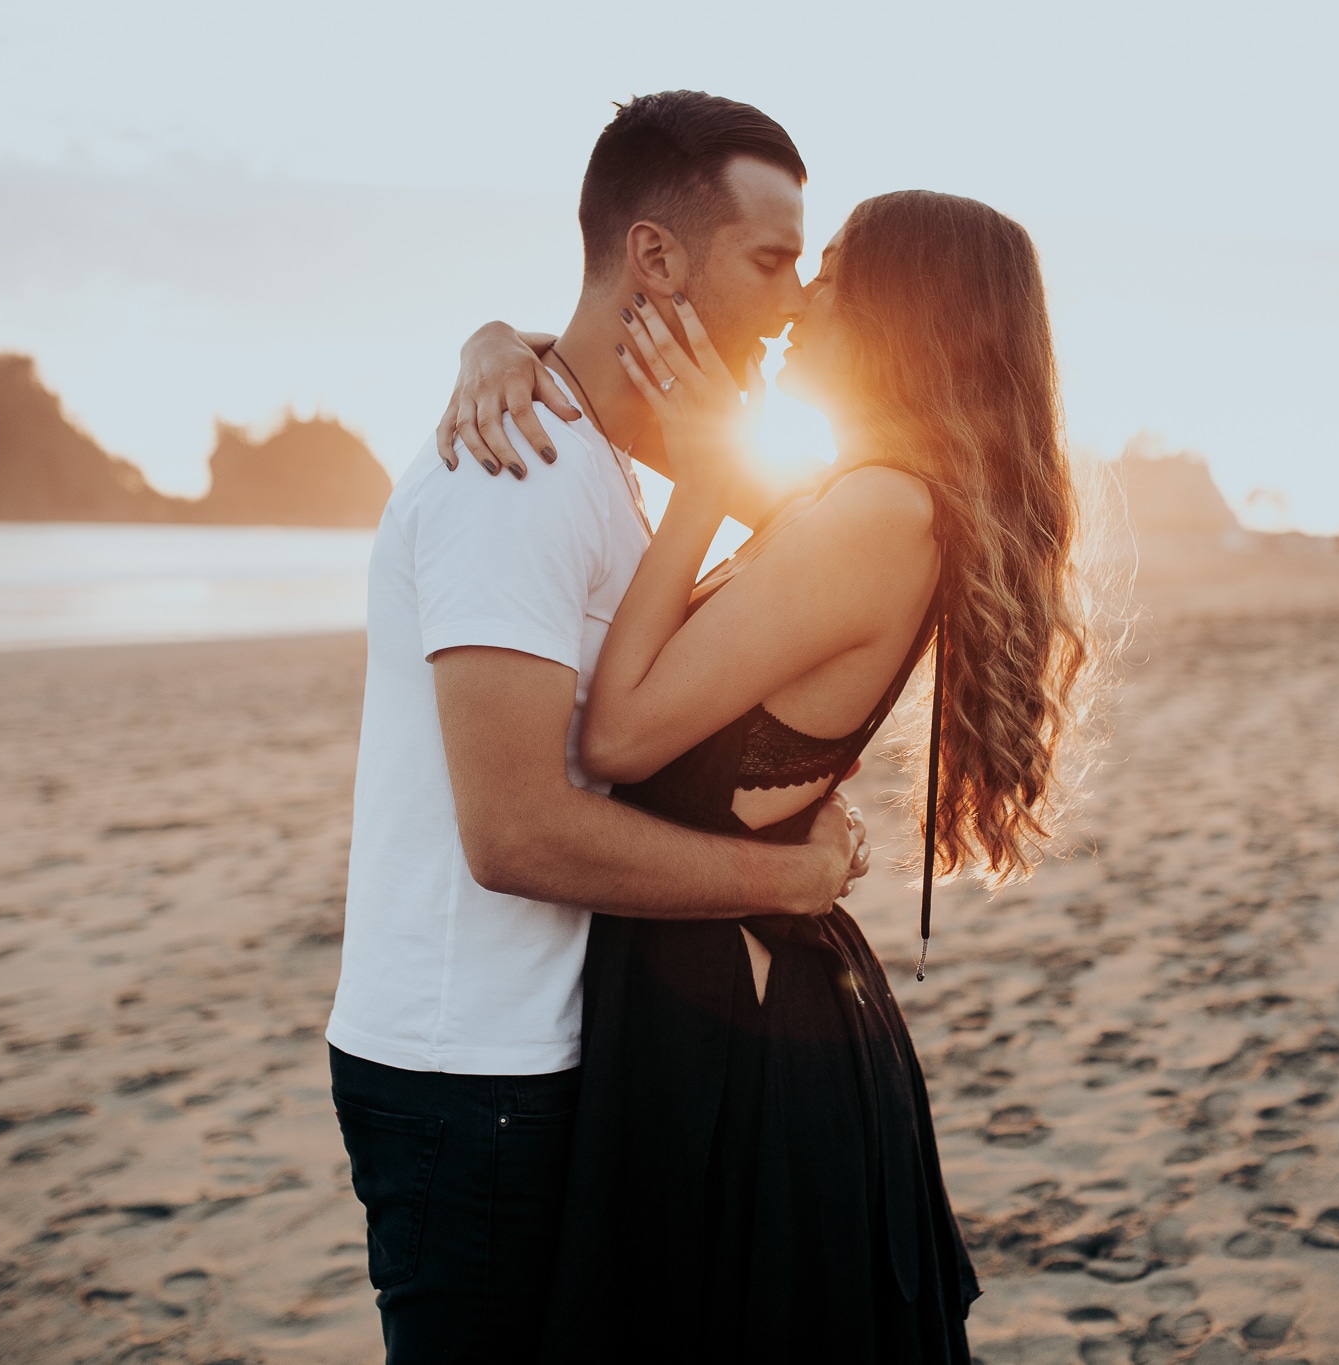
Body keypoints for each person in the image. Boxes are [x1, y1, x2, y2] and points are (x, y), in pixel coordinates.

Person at [440, 186, 1100, 1360]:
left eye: (834, 278)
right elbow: (622, 398)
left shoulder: (880, 512)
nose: (798, 306)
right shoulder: (866, 498)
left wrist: (699, 480)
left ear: (902, 315)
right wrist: (496, 343)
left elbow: (616, 739)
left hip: (733, 1020)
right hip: (720, 985)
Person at [323, 91, 871, 1362]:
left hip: (552, 1056)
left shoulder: (601, 461)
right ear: (655, 258)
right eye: (771, 257)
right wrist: (781, 879)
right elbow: (513, 832)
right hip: (472, 1080)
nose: (793, 297)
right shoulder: (509, 474)